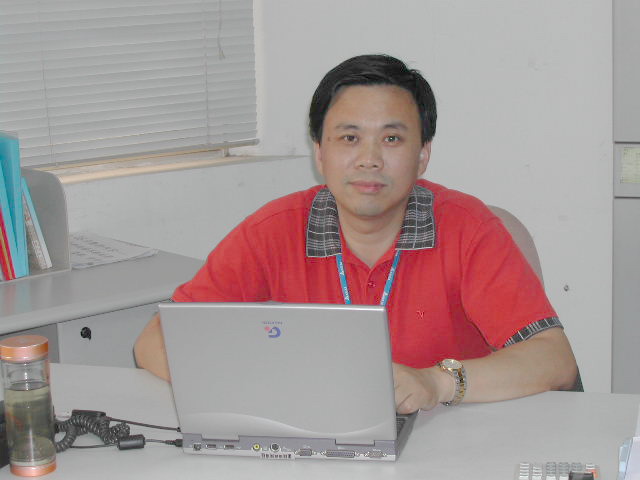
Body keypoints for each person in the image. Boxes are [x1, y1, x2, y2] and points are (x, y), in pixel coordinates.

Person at [134, 54, 578, 412]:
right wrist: (255, 388)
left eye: (391, 139)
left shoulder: (468, 228)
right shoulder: (274, 231)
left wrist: (437, 383)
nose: (369, 159)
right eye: (349, 138)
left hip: (452, 437)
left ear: (423, 155)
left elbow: (554, 358)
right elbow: (155, 340)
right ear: (319, 153)